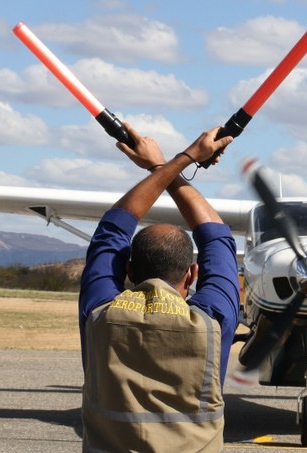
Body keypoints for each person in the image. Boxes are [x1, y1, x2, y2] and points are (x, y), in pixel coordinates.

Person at [78, 123, 239, 452]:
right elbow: (217, 236)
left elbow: (113, 228)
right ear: (192, 275)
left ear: (129, 270)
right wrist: (170, 163)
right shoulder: (213, 323)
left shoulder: (99, 317)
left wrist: (182, 159)